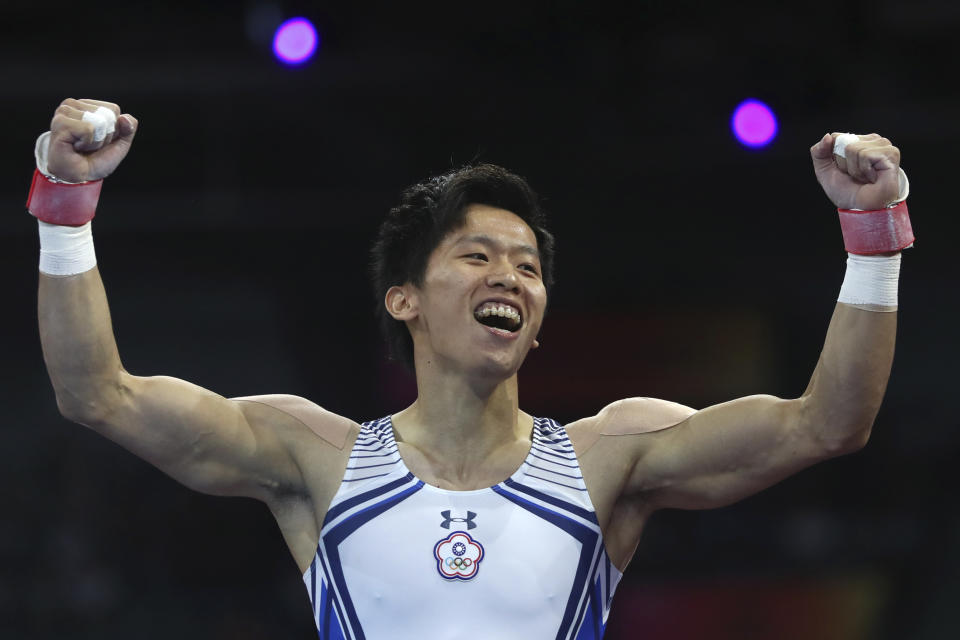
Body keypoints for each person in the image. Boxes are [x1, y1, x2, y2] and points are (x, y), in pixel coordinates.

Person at [31, 98, 912, 639]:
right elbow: (97, 394)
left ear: (537, 326)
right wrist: (66, 211)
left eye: (527, 267)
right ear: (403, 298)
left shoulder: (612, 458)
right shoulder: (314, 460)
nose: (509, 279)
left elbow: (827, 424)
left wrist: (874, 237)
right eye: (477, 256)